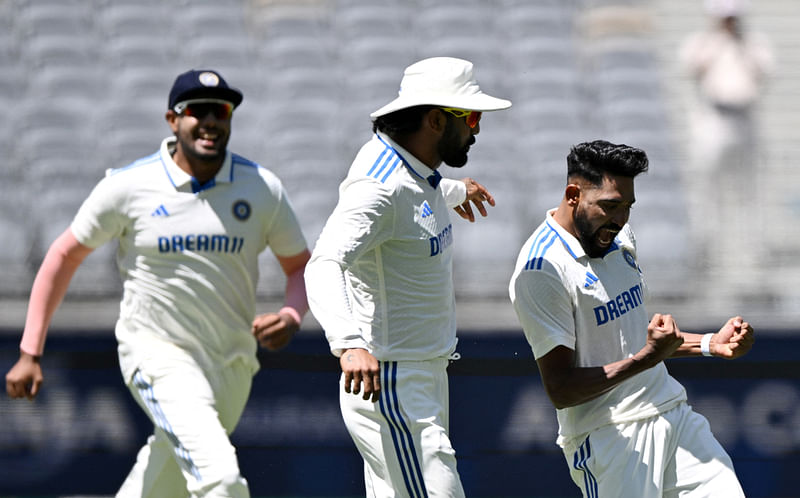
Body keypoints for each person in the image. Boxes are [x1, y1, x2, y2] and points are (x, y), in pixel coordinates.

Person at [5, 69, 311, 498]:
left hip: (232, 364)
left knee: (162, 482)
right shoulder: (129, 185)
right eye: (196, 111)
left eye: (220, 111)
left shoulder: (261, 187)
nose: (209, 121)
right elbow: (63, 255)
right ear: (173, 119)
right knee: (220, 479)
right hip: (157, 353)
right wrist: (29, 351)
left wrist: (291, 314)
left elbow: (300, 266)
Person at [304, 57, 511, 497]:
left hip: (422, 378)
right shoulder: (380, 186)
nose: (476, 129)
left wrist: (455, 191)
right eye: (471, 117)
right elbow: (323, 263)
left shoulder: (416, 170)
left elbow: (415, 195)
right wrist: (349, 342)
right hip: (392, 383)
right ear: (436, 120)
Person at [508, 140, 755, 497]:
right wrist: (646, 359)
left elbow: (636, 339)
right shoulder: (541, 269)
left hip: (672, 412)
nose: (620, 219)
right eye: (610, 206)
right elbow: (561, 389)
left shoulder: (620, 237)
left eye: (627, 207)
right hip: (611, 436)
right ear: (573, 194)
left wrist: (708, 343)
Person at [678, 0, 774, 269]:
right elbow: (694, 68)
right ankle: (705, 253)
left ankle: (754, 254)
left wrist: (739, 45)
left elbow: (763, 71)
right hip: (714, 119)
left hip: (745, 119)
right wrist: (718, 42)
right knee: (707, 190)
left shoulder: (753, 43)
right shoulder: (702, 42)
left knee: (749, 190)